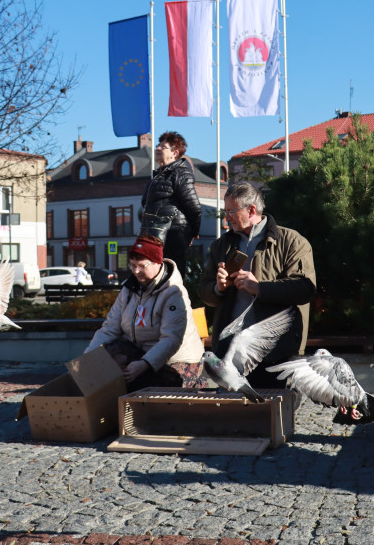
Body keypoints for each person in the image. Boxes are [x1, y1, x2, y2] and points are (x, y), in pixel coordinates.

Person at [197, 182, 316, 388]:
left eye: (231, 211)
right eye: (226, 211)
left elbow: (305, 288)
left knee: (271, 414)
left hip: (275, 351)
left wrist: (259, 288)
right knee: (231, 415)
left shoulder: (292, 241)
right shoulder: (221, 245)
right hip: (229, 353)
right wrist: (218, 288)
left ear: (251, 210)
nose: (227, 217)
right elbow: (203, 291)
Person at [86, 236, 204, 390]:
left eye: (141, 266)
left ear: (157, 262)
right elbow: (110, 328)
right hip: (142, 352)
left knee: (135, 382)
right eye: (132, 265)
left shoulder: (173, 293)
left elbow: (171, 340)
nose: (136, 271)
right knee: (105, 359)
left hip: (176, 361)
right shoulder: (129, 289)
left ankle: (128, 409)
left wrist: (144, 364)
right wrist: (87, 358)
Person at [140, 131, 201, 277]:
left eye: (163, 147)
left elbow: (194, 207)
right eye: (157, 145)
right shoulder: (157, 176)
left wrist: (192, 233)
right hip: (155, 234)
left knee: (171, 278)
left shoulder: (180, 173)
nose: (158, 149)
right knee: (153, 278)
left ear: (174, 152)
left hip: (173, 234)